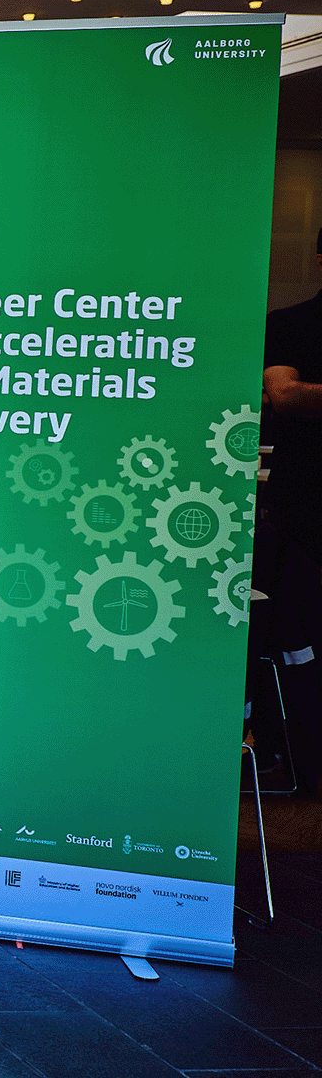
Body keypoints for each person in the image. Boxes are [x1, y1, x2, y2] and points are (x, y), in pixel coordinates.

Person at [262, 228, 322, 792]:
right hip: (305, 511)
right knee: (300, 642)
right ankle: (301, 756)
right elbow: (282, 394)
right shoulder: (291, 323)